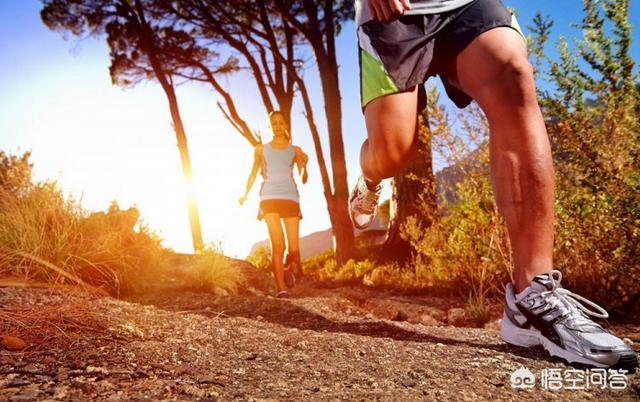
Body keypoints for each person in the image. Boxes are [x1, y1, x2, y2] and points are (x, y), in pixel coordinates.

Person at [350, 0, 638, 369]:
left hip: (465, 5)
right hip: (392, 16)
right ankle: (370, 177)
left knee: (512, 74)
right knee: (392, 153)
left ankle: (532, 296)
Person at [239, 111, 309, 298]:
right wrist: (245, 194)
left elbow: (303, 178)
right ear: (270, 126)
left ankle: (286, 268)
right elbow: (253, 173)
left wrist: (305, 164)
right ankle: (281, 289)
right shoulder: (260, 150)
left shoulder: (295, 150)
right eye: (274, 123)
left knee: (293, 249)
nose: (278, 126)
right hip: (268, 197)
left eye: (280, 123)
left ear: (285, 125)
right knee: (278, 245)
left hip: (290, 197)